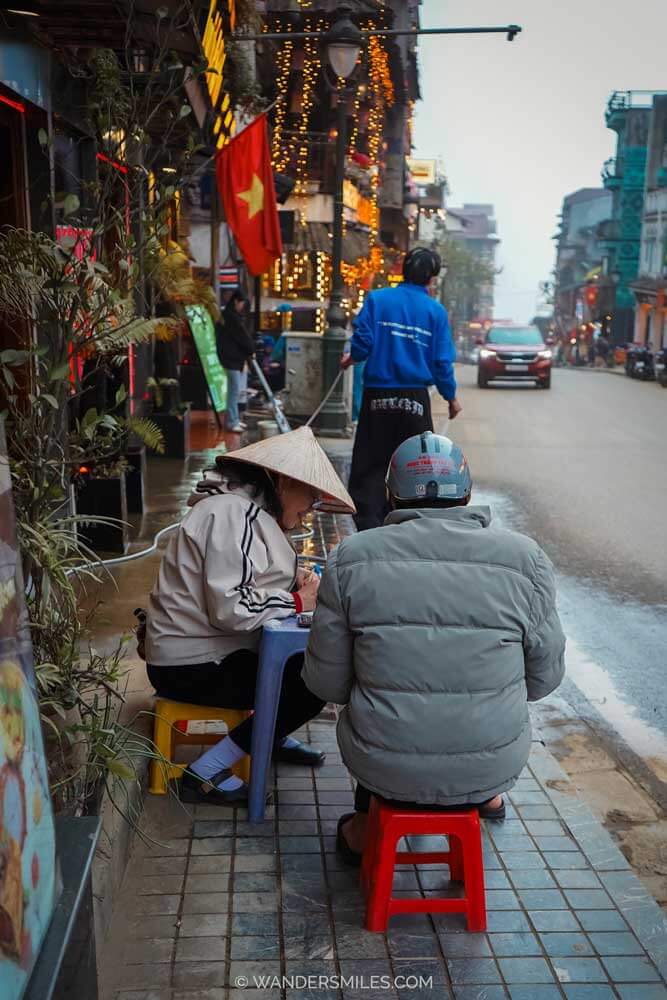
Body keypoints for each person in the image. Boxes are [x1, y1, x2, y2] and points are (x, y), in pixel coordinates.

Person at [303, 431, 566, 864]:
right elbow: (543, 679)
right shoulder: (525, 559)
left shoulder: (352, 557)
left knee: (381, 718)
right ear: (466, 496)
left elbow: (327, 683)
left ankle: (365, 831)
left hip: (381, 763)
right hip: (492, 763)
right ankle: (486, 799)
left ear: (390, 496)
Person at [145, 426, 355, 805]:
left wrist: (295, 579)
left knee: (301, 670)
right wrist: (297, 602)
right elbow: (233, 608)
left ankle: (265, 736)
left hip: (204, 654)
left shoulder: (243, 511)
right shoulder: (233, 514)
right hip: (190, 665)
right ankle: (205, 772)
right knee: (313, 683)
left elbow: (249, 575)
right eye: (310, 493)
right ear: (281, 481)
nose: (312, 505)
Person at [341, 247, 462, 532]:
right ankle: (406, 528)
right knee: (415, 466)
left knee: (370, 466)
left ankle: (368, 530)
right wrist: (451, 397)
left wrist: (352, 358)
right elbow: (442, 362)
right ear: (431, 277)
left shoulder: (378, 299)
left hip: (377, 397)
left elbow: (363, 342)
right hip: (414, 400)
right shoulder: (435, 312)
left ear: (403, 271)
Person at [217, 290, 255, 432]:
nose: (242, 307)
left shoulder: (229, 315)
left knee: (234, 390)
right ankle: (232, 422)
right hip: (231, 359)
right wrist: (251, 349)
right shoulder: (230, 317)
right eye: (241, 304)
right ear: (236, 301)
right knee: (234, 390)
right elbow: (241, 336)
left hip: (232, 359)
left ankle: (234, 419)